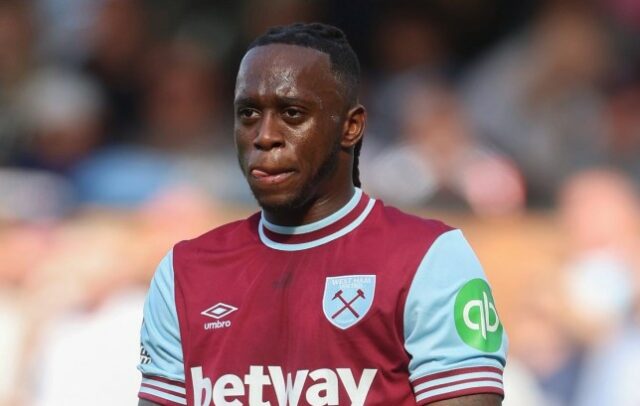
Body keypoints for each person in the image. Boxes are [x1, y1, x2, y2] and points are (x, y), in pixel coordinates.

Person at [137, 23, 507, 406]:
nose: (264, 136)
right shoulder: (184, 273)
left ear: (351, 127)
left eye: (292, 113)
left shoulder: (430, 258)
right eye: (248, 113)